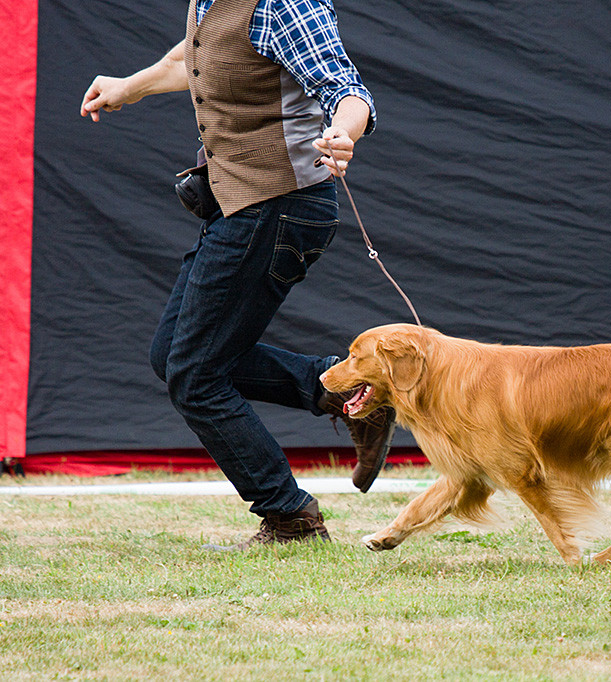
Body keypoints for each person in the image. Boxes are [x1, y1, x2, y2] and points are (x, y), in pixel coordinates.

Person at [80, 0, 396, 550]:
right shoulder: (208, 3)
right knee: (173, 356)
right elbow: (196, 57)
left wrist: (344, 132)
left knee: (195, 374)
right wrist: (129, 86)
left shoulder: (282, 4)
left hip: (280, 204)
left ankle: (290, 517)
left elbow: (347, 89)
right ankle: (347, 389)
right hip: (240, 206)